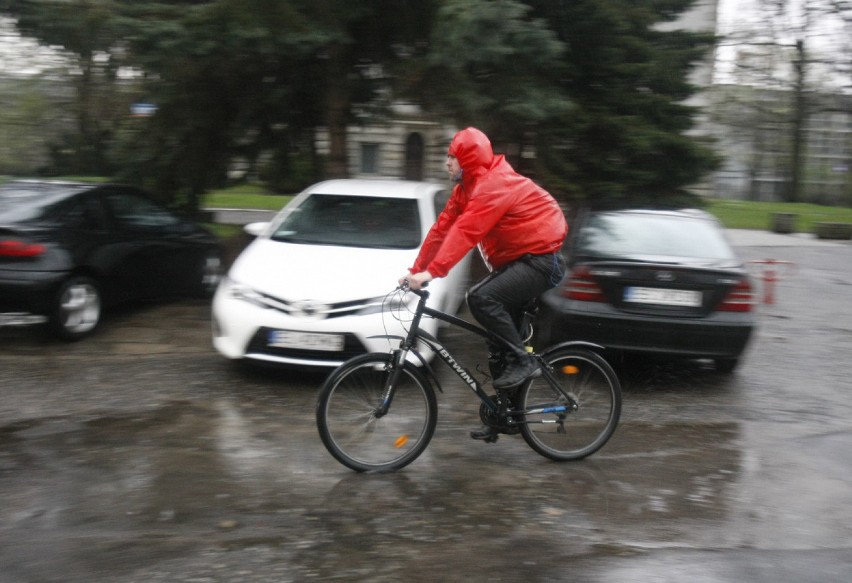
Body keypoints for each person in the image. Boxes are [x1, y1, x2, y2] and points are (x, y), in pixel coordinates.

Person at [400, 127, 568, 441]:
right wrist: (416, 271)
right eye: (447, 155)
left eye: (453, 156)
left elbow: (466, 232)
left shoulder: (493, 185)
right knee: (496, 345)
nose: (447, 162)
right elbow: (441, 230)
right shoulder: (466, 189)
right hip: (518, 262)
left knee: (480, 297)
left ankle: (523, 359)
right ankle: (505, 416)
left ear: (469, 160)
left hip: (541, 259)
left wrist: (433, 272)